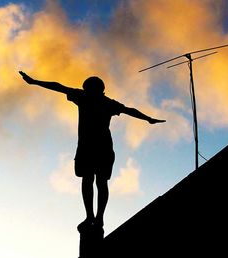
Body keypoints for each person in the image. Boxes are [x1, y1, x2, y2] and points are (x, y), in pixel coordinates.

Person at [19, 71, 165, 232]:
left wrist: (35, 82)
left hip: (93, 148)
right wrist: (148, 119)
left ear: (91, 89)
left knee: (93, 181)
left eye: (88, 88)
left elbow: (59, 87)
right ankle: (94, 217)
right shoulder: (103, 101)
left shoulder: (86, 97)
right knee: (95, 182)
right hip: (96, 148)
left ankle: (95, 217)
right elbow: (129, 110)